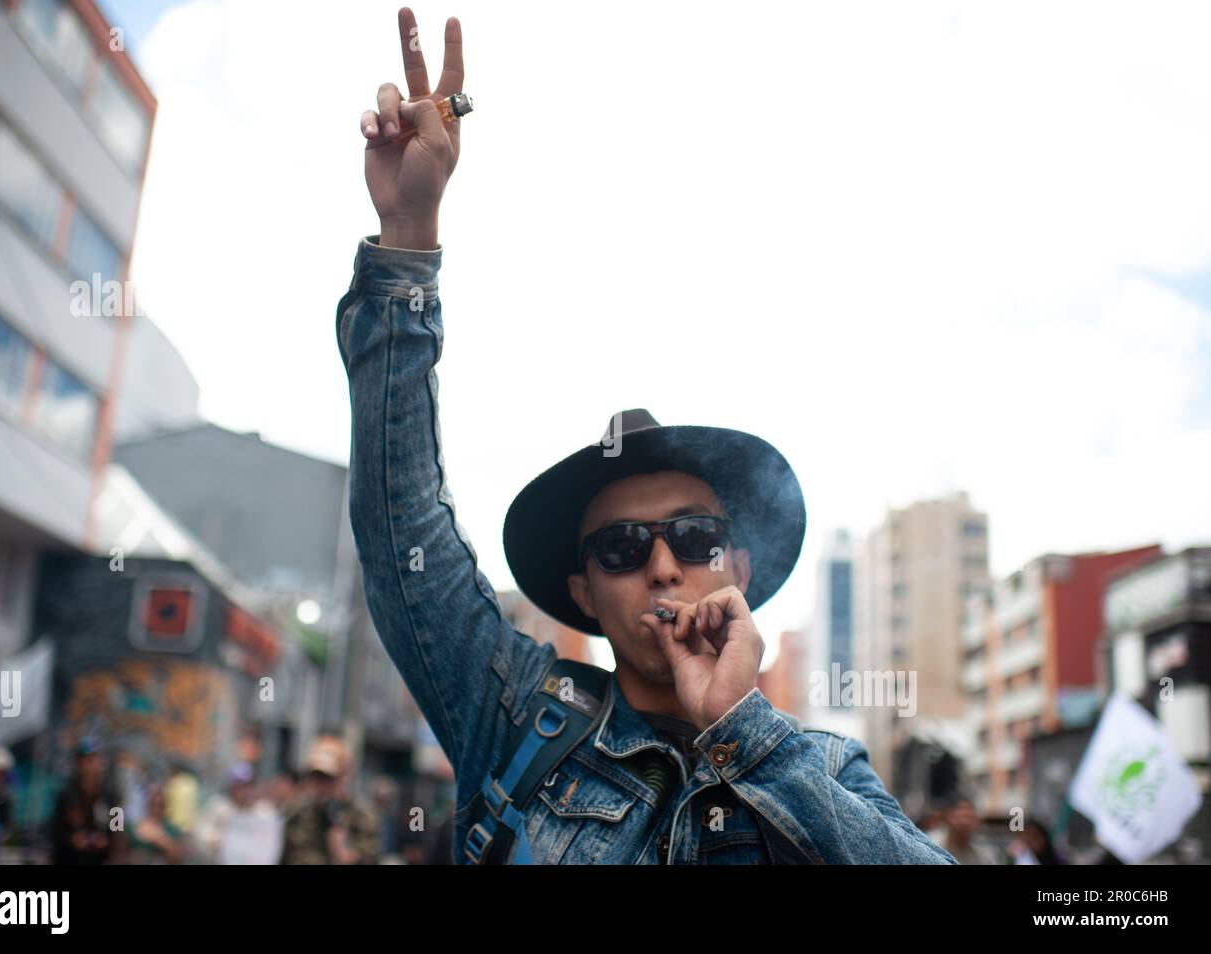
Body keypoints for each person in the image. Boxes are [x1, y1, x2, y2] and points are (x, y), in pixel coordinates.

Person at [336, 8, 955, 865]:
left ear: (738, 568)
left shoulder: (821, 769)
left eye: (695, 538)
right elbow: (400, 524)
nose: (665, 566)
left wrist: (743, 735)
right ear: (585, 591)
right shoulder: (516, 714)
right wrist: (409, 241)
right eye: (623, 549)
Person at [280, 739, 379, 865]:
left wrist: (337, 840)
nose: (319, 784)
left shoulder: (362, 818)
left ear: (343, 776)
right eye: (315, 776)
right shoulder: (297, 814)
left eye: (326, 778)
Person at [50, 739, 125, 865]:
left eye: (95, 759)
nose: (92, 765)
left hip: (99, 858)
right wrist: (72, 839)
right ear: (79, 763)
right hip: (70, 858)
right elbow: (55, 829)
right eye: (87, 760)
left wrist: (106, 839)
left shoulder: (109, 795)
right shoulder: (67, 794)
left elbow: (117, 828)